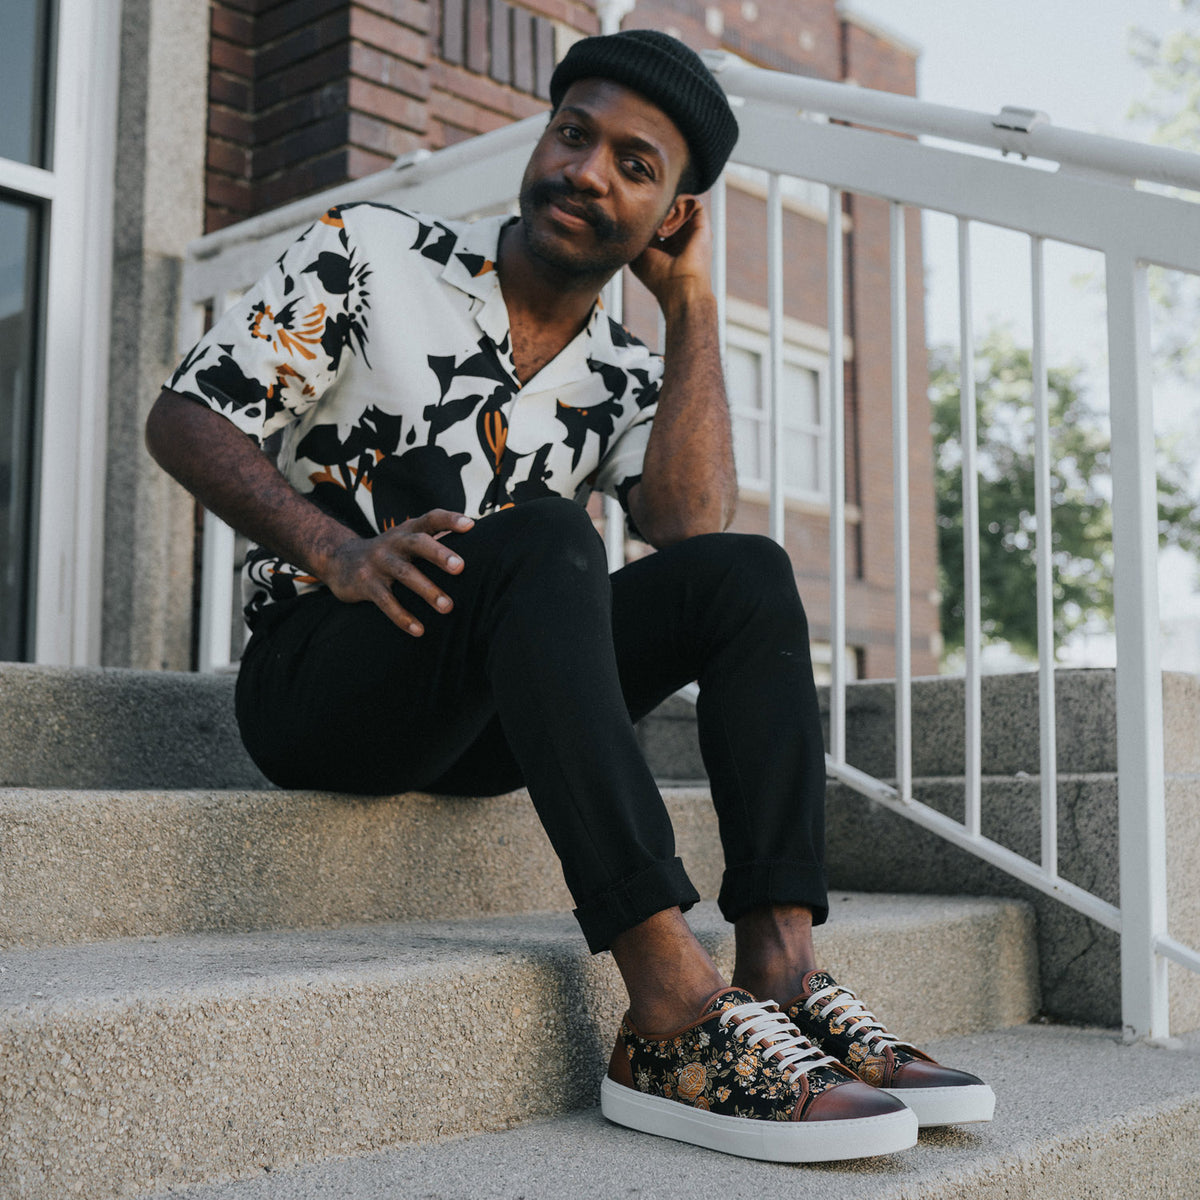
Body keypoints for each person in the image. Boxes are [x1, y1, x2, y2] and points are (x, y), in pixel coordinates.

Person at [146, 29, 992, 1164]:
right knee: (543, 535)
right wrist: (334, 550)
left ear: (672, 213)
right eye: (574, 134)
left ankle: (781, 972)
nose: (588, 170)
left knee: (748, 573)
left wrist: (689, 308)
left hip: (482, 722)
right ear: (544, 140)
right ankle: (670, 1011)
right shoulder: (372, 255)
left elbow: (692, 535)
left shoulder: (626, 374)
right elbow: (188, 417)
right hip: (322, 681)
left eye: (635, 166)